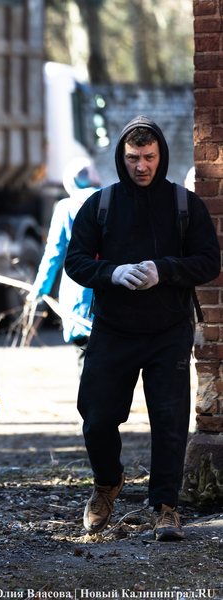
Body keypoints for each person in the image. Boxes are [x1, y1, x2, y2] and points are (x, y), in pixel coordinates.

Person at [65, 116, 220, 541]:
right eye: (133, 157)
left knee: (169, 423)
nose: (141, 166)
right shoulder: (102, 203)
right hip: (113, 330)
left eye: (149, 157)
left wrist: (163, 270)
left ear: (161, 155)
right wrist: (112, 273)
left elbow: (210, 260)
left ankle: (165, 506)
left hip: (168, 330)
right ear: (121, 156)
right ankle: (106, 485)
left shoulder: (184, 204)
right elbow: (75, 261)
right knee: (96, 419)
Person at [27, 158, 100, 370]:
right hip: (110, 289)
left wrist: (39, 289)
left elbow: (54, 253)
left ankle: (90, 402)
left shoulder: (65, 207)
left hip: (79, 292)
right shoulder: (111, 202)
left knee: (84, 357)